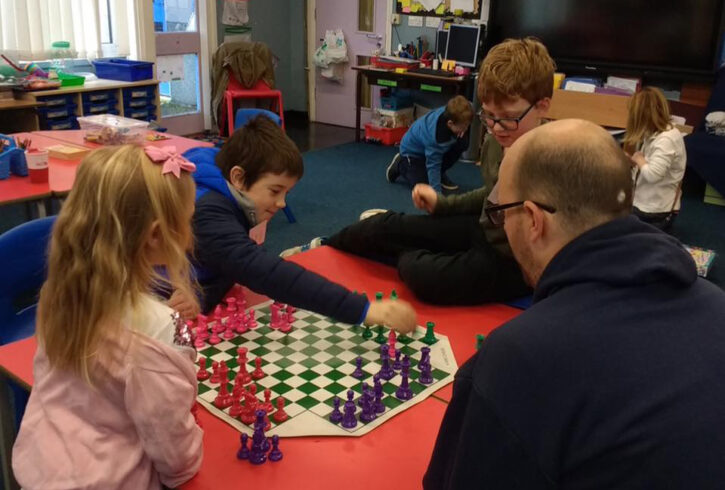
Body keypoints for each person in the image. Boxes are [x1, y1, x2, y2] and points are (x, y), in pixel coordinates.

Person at [424, 119, 725, 489]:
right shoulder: (718, 302)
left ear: (533, 220)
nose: (502, 226)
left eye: (502, 212)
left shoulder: (517, 359)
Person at [285, 38, 555, 306]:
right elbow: (493, 194)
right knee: (383, 227)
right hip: (481, 230)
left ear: (542, 106)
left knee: (424, 276)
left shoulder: (552, 161)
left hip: (509, 261)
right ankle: (325, 245)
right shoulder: (498, 141)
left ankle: (401, 252)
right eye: (488, 116)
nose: (495, 128)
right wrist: (443, 205)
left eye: (507, 117)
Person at [13, 145, 204, 489]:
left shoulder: (58, 295)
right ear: (156, 235)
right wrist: (187, 467)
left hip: (41, 466)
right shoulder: (157, 324)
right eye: (188, 221)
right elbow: (173, 448)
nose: (191, 233)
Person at [177, 115, 416, 333]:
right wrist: (362, 310)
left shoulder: (219, 183)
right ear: (238, 177)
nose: (281, 203)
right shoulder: (207, 213)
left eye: (286, 193)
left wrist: (201, 291)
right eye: (275, 191)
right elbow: (259, 270)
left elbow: (230, 261)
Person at [623, 86, 687, 230]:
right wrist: (634, 162)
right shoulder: (655, 132)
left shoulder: (666, 140)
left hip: (656, 211)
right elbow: (652, 163)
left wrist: (640, 160)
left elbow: (653, 175)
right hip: (645, 203)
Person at [386, 95, 473, 192]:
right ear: (450, 124)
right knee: (424, 187)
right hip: (412, 153)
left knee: (462, 143)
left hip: (428, 148)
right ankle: (400, 164)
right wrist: (436, 196)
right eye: (464, 126)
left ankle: (440, 173)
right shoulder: (435, 138)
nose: (466, 129)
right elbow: (433, 165)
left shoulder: (452, 112)